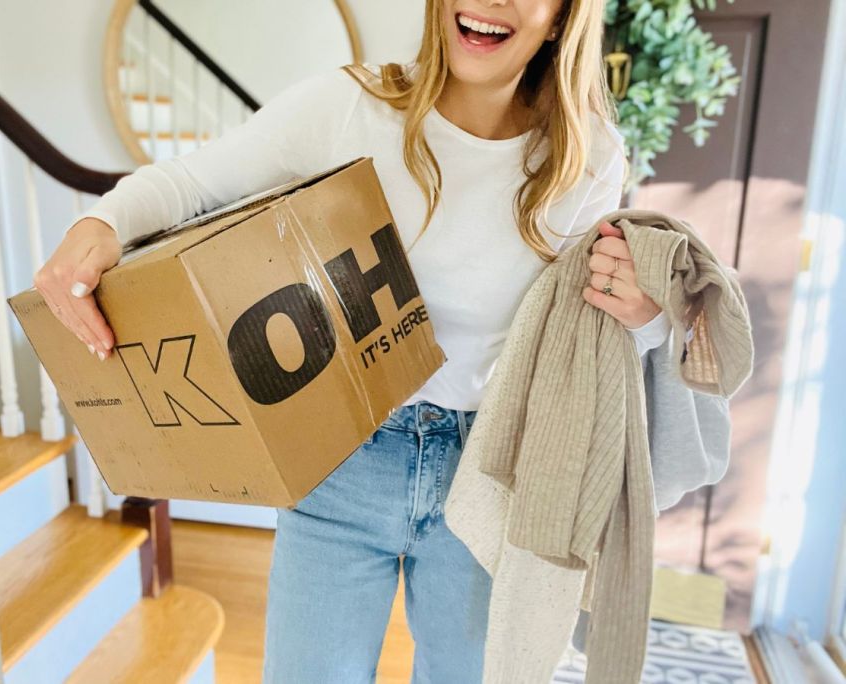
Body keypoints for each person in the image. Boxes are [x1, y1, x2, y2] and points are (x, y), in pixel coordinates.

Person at [36, 0, 671, 681]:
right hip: (342, 459)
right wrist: (102, 224)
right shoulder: (350, 106)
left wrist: (648, 314)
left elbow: (591, 338)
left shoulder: (585, 156)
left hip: (488, 472)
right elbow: (191, 183)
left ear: (561, 18)